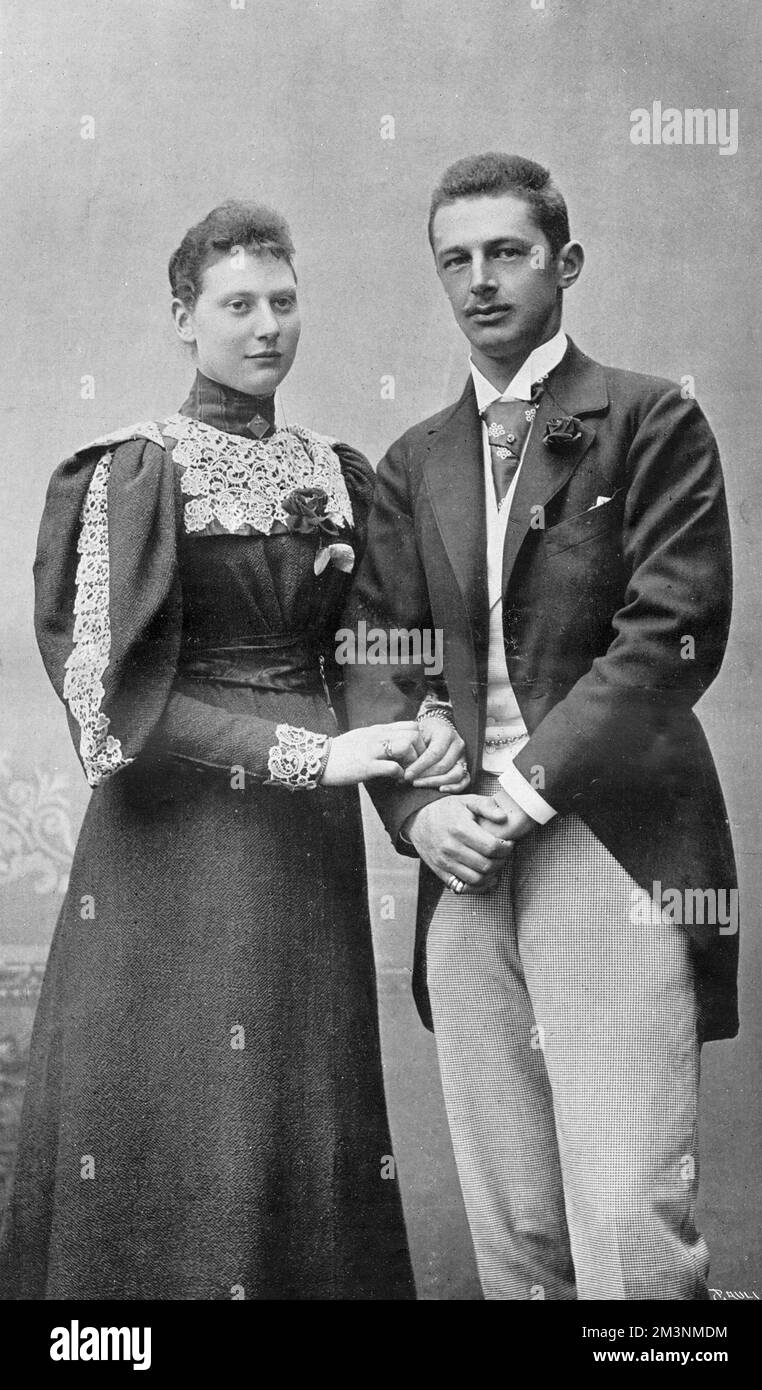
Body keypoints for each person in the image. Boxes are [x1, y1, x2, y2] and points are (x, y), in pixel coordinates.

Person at [0, 200, 468, 1301]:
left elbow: (367, 648)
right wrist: (313, 757)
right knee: (174, 1101)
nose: (267, 327)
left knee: (301, 1099)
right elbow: (120, 712)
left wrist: (413, 721)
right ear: (183, 317)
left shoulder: (338, 469)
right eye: (238, 305)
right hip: (172, 843)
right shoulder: (132, 472)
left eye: (283, 302)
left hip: (305, 843)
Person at [345, 153, 739, 1300]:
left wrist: (517, 796)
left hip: (609, 843)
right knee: (515, 1229)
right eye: (454, 261)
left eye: (506, 252)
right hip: (460, 867)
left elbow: (668, 640)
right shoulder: (414, 462)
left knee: (627, 1220)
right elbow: (376, 655)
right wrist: (420, 816)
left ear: (563, 263)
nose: (480, 281)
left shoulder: (652, 418)